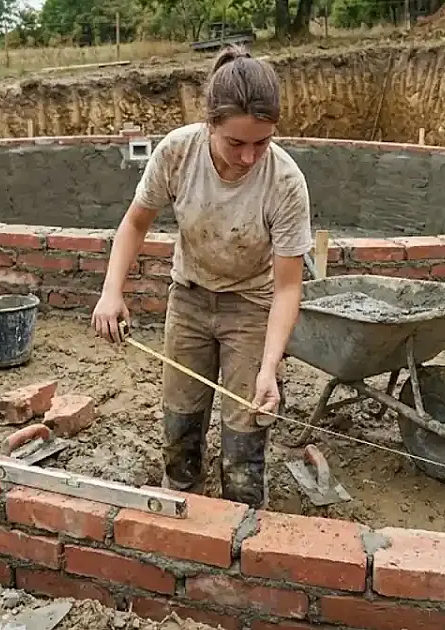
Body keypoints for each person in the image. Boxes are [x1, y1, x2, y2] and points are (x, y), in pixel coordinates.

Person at [91, 45, 312, 508]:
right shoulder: (177, 153)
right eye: (236, 143)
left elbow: (289, 286)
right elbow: (134, 223)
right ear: (210, 122)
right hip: (189, 299)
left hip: (251, 307)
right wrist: (112, 292)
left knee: (244, 440)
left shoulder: (286, 183)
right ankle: (183, 508)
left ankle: (239, 525)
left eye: (262, 142)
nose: (249, 157)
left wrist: (269, 366)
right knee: (181, 426)